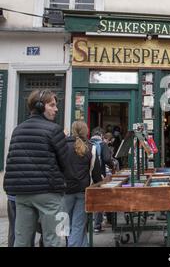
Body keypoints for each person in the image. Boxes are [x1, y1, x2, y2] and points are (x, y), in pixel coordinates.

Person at [3, 89, 73, 246]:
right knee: (53, 239)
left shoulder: (17, 130)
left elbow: (12, 160)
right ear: (40, 106)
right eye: (52, 105)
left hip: (21, 193)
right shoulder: (54, 130)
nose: (56, 109)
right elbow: (65, 163)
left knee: (21, 240)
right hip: (48, 192)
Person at [64, 121, 102, 247]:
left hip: (64, 191)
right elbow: (96, 173)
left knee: (66, 225)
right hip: (82, 190)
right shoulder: (91, 148)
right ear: (86, 131)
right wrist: (99, 184)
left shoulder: (62, 146)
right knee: (78, 225)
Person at [90, 127, 114, 232]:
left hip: (87, 176)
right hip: (99, 175)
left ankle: (87, 225)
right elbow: (107, 159)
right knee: (99, 199)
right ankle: (97, 225)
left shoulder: (87, 143)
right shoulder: (102, 145)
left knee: (89, 199)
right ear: (101, 136)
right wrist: (112, 165)